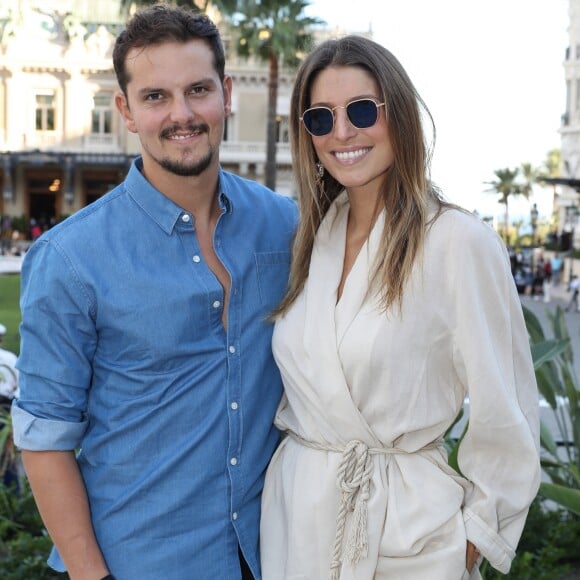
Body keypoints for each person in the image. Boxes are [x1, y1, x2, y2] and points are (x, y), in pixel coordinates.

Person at [11, 5, 297, 580]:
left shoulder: (284, 224)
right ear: (126, 110)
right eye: (156, 96)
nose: (182, 115)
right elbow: (44, 440)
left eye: (198, 90)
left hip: (274, 553)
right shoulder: (70, 258)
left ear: (227, 94)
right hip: (140, 560)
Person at [260, 35, 540, 580]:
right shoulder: (312, 238)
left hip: (411, 536)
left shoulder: (458, 241)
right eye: (321, 118)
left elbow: (507, 412)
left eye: (362, 110)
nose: (342, 132)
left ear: (401, 115)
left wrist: (468, 544)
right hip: (297, 523)